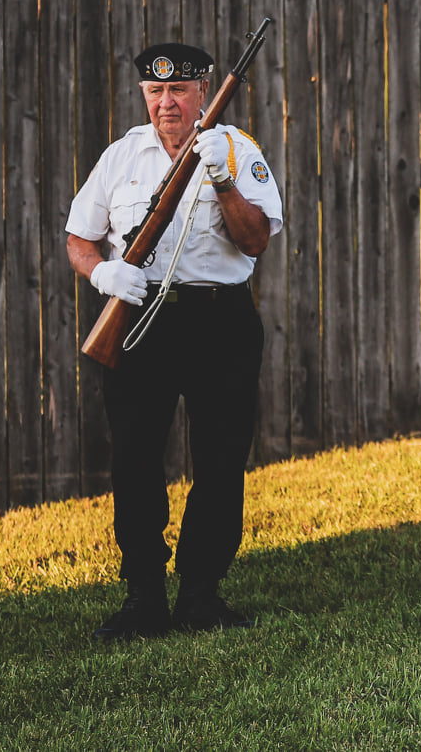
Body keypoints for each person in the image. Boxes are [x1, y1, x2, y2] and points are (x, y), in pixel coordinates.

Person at [66, 42, 283, 638]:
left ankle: (201, 594)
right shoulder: (120, 156)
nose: (167, 102)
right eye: (156, 91)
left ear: (204, 91)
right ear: (144, 94)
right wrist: (101, 272)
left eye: (180, 90)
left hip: (219, 321)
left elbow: (256, 240)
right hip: (141, 319)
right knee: (135, 457)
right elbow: (79, 238)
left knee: (220, 457)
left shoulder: (237, 151)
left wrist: (222, 181)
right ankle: (143, 598)